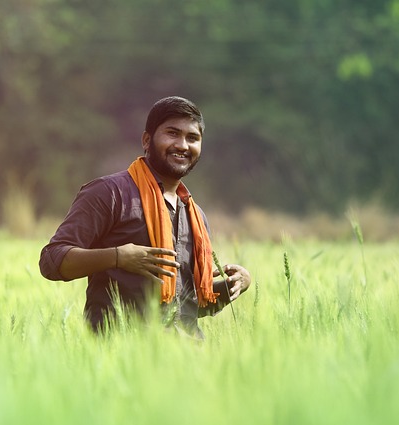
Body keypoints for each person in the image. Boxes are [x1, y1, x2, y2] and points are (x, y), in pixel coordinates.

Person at [39, 96, 251, 336]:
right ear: (147, 140)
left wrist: (237, 285)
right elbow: (51, 260)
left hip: (187, 362)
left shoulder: (195, 215)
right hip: (118, 358)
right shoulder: (109, 193)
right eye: (172, 133)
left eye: (192, 138)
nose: (182, 145)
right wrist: (117, 257)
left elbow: (184, 306)